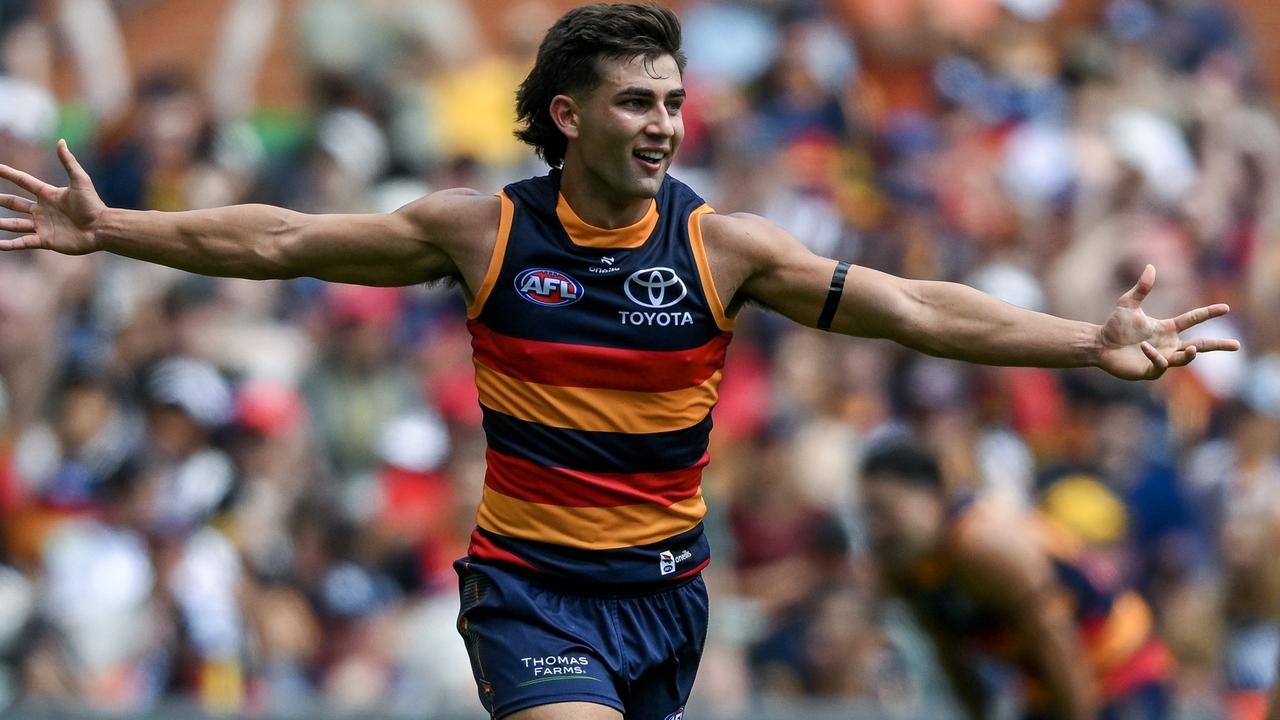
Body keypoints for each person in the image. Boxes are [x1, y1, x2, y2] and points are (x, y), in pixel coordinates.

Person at [0, 4, 1239, 718]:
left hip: (668, 599)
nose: (662, 124)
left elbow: (914, 308)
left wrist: (1083, 340)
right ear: (567, 117)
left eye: (672, 101)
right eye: (636, 102)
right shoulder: (477, 232)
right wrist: (113, 229)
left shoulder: (723, 251)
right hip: (530, 593)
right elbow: (278, 240)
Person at [860, 442, 1174, 720]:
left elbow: (1058, 647)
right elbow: (952, 655)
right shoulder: (906, 569)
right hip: (1047, 685)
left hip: (1121, 668)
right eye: (866, 514)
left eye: (885, 509)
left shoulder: (982, 545)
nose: (876, 528)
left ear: (932, 495)